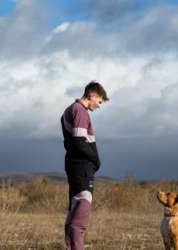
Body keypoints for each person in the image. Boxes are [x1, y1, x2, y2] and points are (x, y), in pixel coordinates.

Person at [61, 81, 109, 250]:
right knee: (78, 224)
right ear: (92, 95)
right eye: (100, 101)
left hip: (76, 168)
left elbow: (73, 144)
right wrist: (96, 161)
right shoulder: (80, 110)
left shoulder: (70, 110)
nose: (99, 106)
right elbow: (79, 142)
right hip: (82, 170)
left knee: (73, 217)